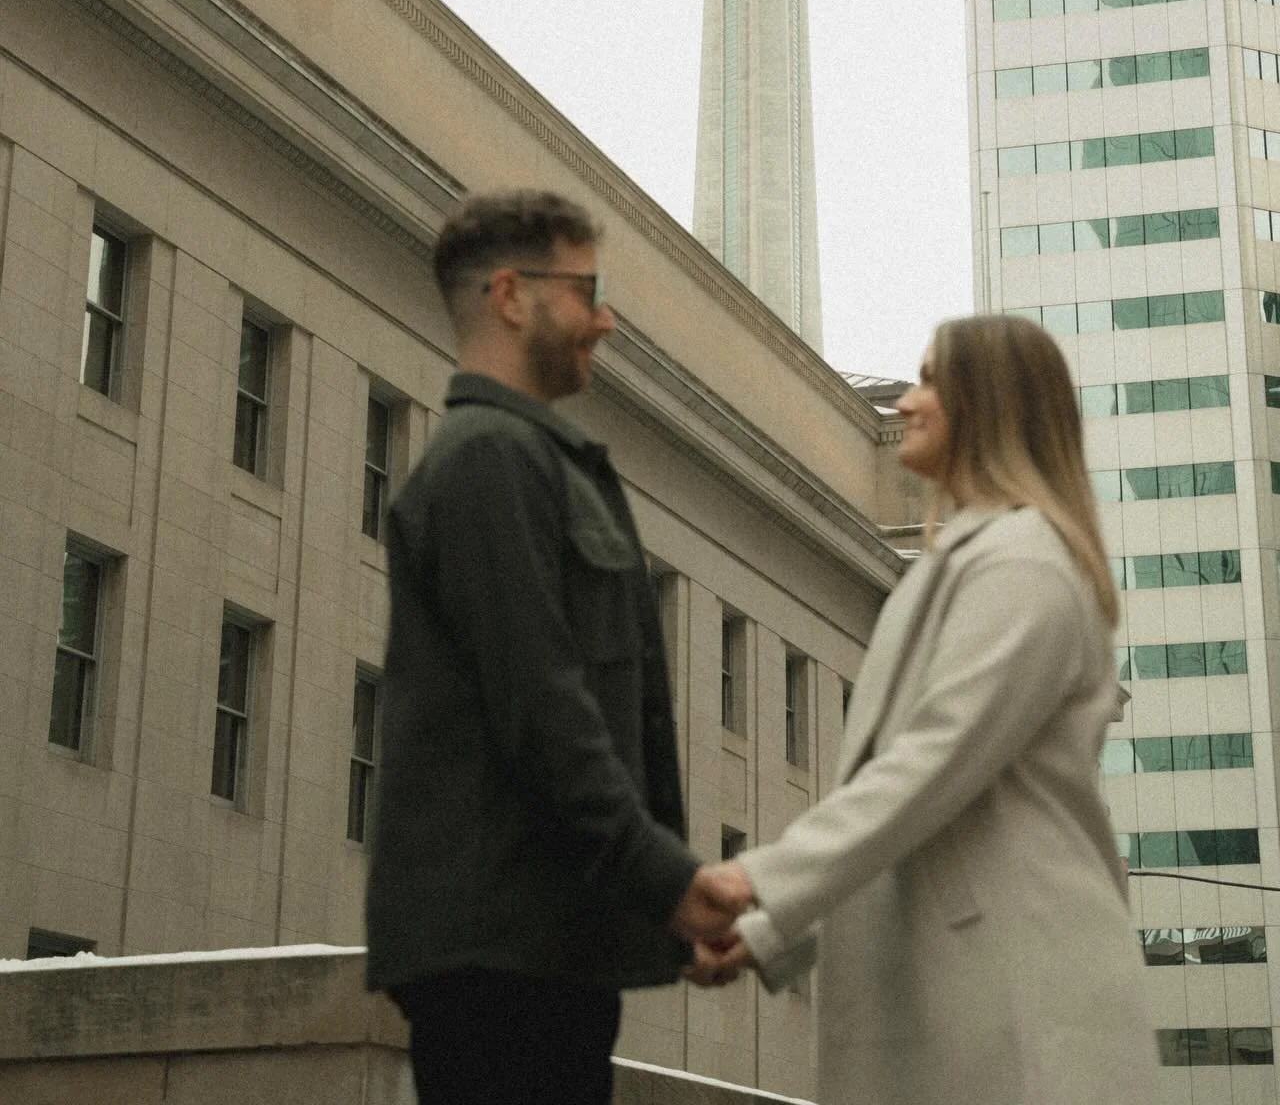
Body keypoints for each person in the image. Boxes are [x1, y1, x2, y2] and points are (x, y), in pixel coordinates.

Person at [688, 314, 1159, 1105]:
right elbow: (906, 808)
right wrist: (765, 930)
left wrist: (756, 883)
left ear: (991, 404)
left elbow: (928, 770)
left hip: (1019, 997)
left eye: (931, 379)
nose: (906, 401)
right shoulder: (964, 567)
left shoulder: (1026, 568)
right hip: (960, 987)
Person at [366, 190, 745, 1105]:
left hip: (546, 950)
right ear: (510, 294)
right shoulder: (489, 460)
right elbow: (544, 707)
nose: (604, 319)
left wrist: (656, 898)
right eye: (586, 291)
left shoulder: (534, 461)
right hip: (503, 960)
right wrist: (669, 882)